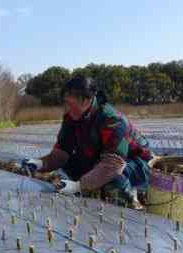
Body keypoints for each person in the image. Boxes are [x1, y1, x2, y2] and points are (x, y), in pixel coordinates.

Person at [22, 76, 153, 209]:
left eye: (70, 104)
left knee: (112, 179)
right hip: (102, 161)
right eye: (65, 103)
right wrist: (39, 163)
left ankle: (130, 203)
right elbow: (61, 153)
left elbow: (113, 165)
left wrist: (79, 186)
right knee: (69, 164)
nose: (67, 108)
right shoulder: (71, 118)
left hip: (137, 164)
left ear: (86, 100)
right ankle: (93, 191)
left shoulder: (112, 120)